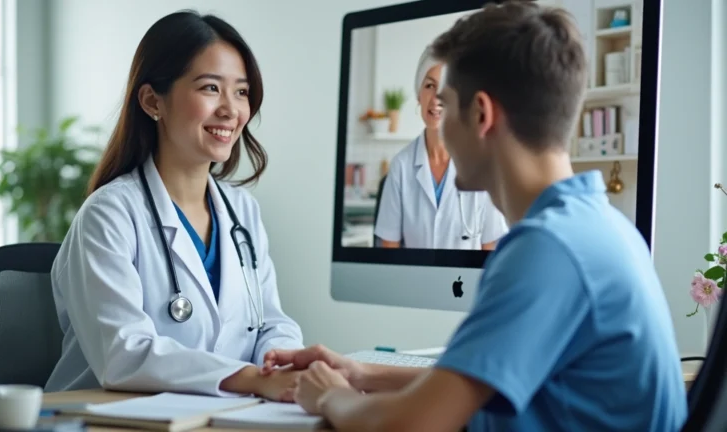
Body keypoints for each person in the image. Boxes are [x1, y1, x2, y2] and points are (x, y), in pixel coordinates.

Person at [262, 2, 687, 431]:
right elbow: (471, 382)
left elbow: (411, 425)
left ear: (481, 114)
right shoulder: (595, 225)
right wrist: (363, 373)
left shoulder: (549, 249)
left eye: (445, 103)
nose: (439, 121)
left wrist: (331, 397)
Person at [45, 10, 304, 401]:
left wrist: (280, 364)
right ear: (153, 101)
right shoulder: (109, 215)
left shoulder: (242, 212)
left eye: (241, 91)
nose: (231, 111)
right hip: (104, 420)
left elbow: (271, 321)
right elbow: (123, 354)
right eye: (210, 88)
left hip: (216, 416)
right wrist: (251, 379)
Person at [374, 46, 508, 250]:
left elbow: (490, 249)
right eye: (429, 86)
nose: (436, 98)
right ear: (419, 95)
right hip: (413, 282)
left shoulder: (482, 166)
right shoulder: (401, 167)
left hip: (465, 282)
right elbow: (389, 248)